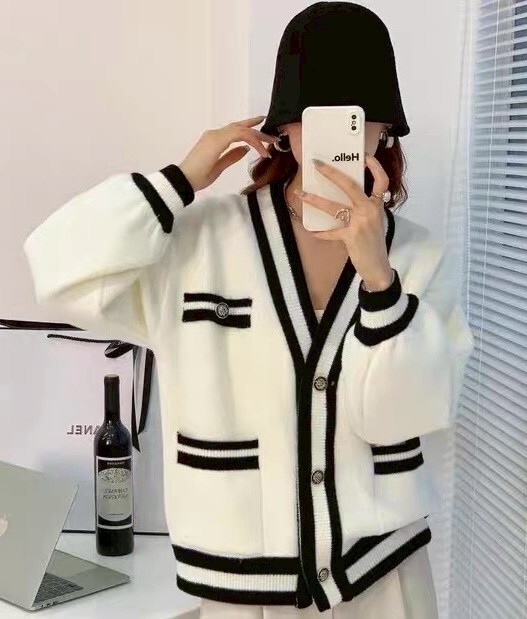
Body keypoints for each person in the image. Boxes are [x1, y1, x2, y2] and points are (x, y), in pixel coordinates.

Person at [23, 2, 474, 618]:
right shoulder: (198, 240)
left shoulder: (419, 257)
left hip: (383, 581)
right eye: (314, 115)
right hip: (238, 588)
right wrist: (180, 179)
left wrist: (379, 282)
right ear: (284, 127)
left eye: (357, 116)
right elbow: (57, 273)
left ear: (385, 130)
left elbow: (401, 415)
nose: (336, 133)